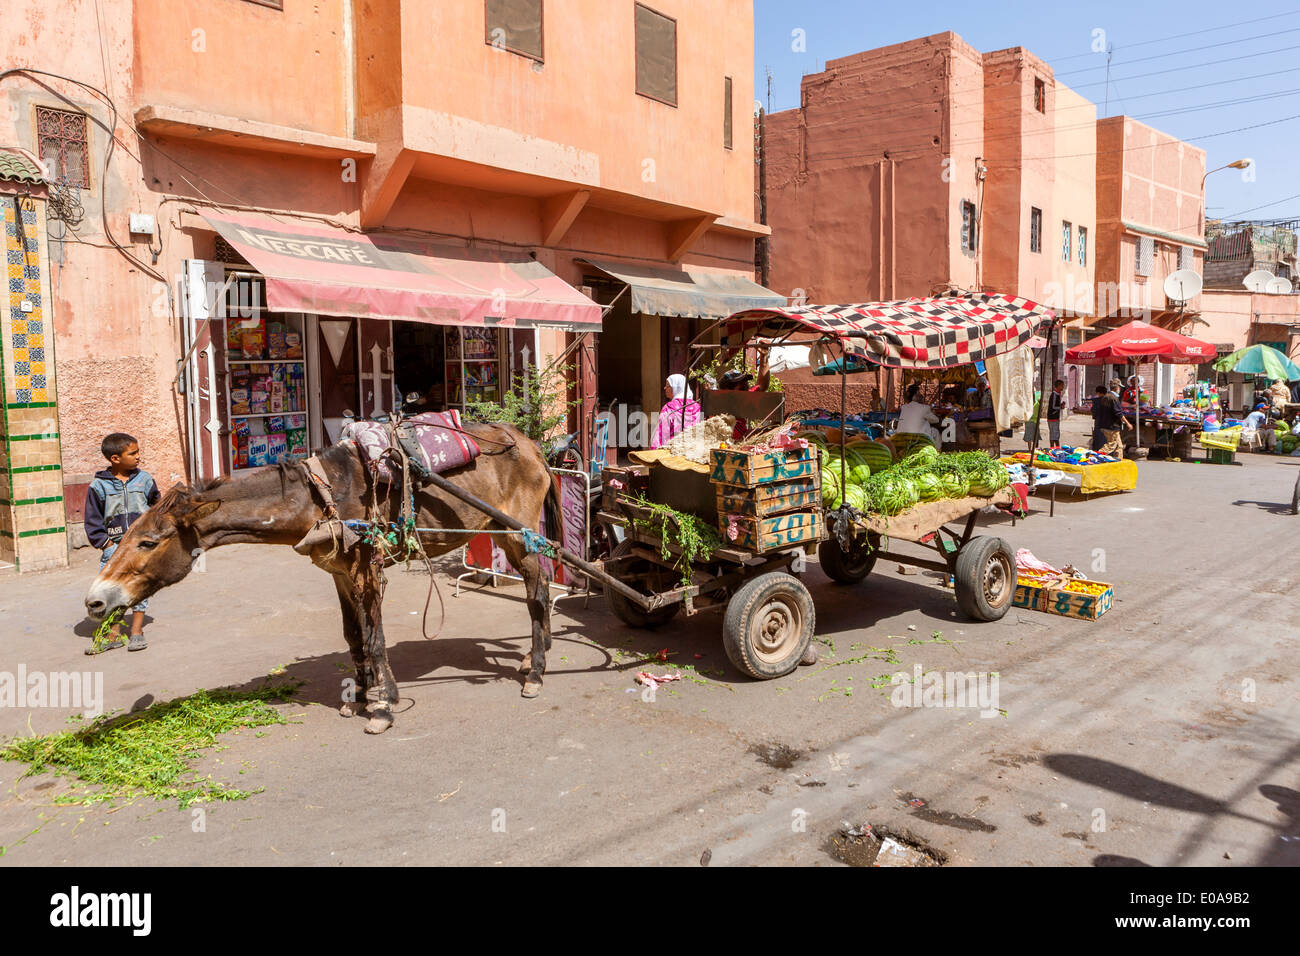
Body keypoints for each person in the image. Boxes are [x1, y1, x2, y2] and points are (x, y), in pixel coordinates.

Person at [84, 433, 161, 653]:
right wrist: (107, 545)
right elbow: (92, 519)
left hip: (141, 547)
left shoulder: (145, 480)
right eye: (133, 453)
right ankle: (114, 634)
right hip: (114, 548)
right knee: (112, 592)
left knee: (140, 588)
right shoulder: (98, 486)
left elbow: (157, 508)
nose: (138, 457)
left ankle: (137, 632)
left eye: (138, 452)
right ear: (115, 458)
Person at [718, 351, 771, 442]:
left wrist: (763, 356)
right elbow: (742, 437)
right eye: (741, 385)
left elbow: (762, 386)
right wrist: (770, 429)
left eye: (745, 382)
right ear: (728, 391)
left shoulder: (741, 396)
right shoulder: (724, 414)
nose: (746, 386)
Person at [651, 374, 700, 448]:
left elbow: (662, 433)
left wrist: (654, 452)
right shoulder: (697, 407)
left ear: (676, 387)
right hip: (693, 450)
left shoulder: (669, 407)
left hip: (674, 450)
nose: (665, 388)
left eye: (668, 386)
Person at [1090, 385, 1130, 459]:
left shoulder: (1099, 400)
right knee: (1111, 445)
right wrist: (1128, 423)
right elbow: (1119, 413)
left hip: (1103, 425)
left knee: (1119, 446)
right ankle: (1095, 456)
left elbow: (1094, 413)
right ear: (1116, 388)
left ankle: (1118, 460)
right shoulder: (1112, 398)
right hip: (1112, 426)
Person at [1046, 379, 1065, 447]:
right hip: (1052, 417)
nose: (1063, 387)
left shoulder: (1057, 394)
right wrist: (1060, 407)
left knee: (1055, 434)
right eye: (1062, 386)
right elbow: (1053, 406)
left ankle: (1056, 447)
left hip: (1055, 417)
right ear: (1059, 386)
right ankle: (1053, 448)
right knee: (1054, 434)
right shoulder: (1054, 394)